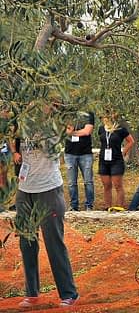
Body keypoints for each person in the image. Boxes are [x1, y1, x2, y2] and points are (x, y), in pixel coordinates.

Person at [15, 105, 79, 308]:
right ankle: (31, 292)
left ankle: (68, 293)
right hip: (25, 188)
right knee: (27, 243)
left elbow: (54, 152)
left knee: (54, 242)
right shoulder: (22, 124)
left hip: (48, 189)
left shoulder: (53, 127)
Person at [98, 113, 134, 210]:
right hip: (103, 160)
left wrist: (124, 152)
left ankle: (119, 207)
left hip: (116, 160)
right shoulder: (101, 128)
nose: (104, 119)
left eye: (107, 117)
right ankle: (107, 206)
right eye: (103, 117)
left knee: (118, 185)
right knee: (106, 185)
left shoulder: (120, 129)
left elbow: (131, 141)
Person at [64, 111, 95, 211]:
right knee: (71, 182)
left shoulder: (88, 114)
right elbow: (64, 130)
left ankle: (89, 205)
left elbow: (87, 131)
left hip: (85, 153)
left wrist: (72, 133)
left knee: (88, 181)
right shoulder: (67, 113)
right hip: (70, 153)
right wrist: (73, 131)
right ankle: (74, 205)